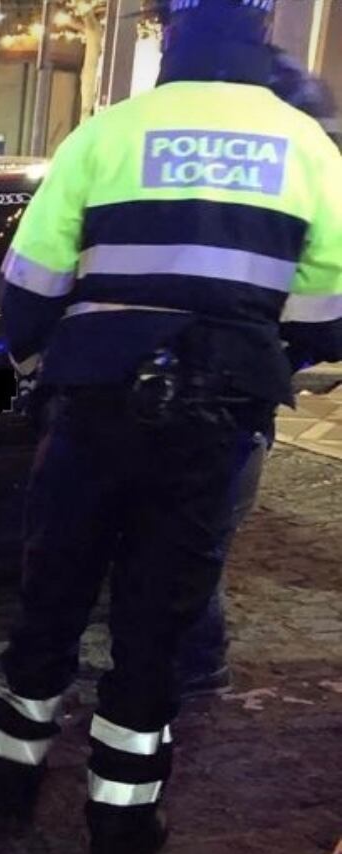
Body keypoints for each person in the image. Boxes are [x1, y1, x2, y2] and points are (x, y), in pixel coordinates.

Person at [0, 0, 342, 854]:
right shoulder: (309, 149)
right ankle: (120, 827)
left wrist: (60, 345)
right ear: (263, 38)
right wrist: (255, 343)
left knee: (52, 597)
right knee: (154, 627)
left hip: (95, 404)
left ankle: (7, 788)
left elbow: (26, 293)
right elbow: (331, 317)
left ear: (169, 39)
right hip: (214, 420)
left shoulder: (108, 134)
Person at [178, 44, 342, 697]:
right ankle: (192, 658)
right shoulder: (300, 165)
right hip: (237, 379)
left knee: (187, 530)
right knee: (196, 530)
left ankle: (195, 658)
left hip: (216, 375)